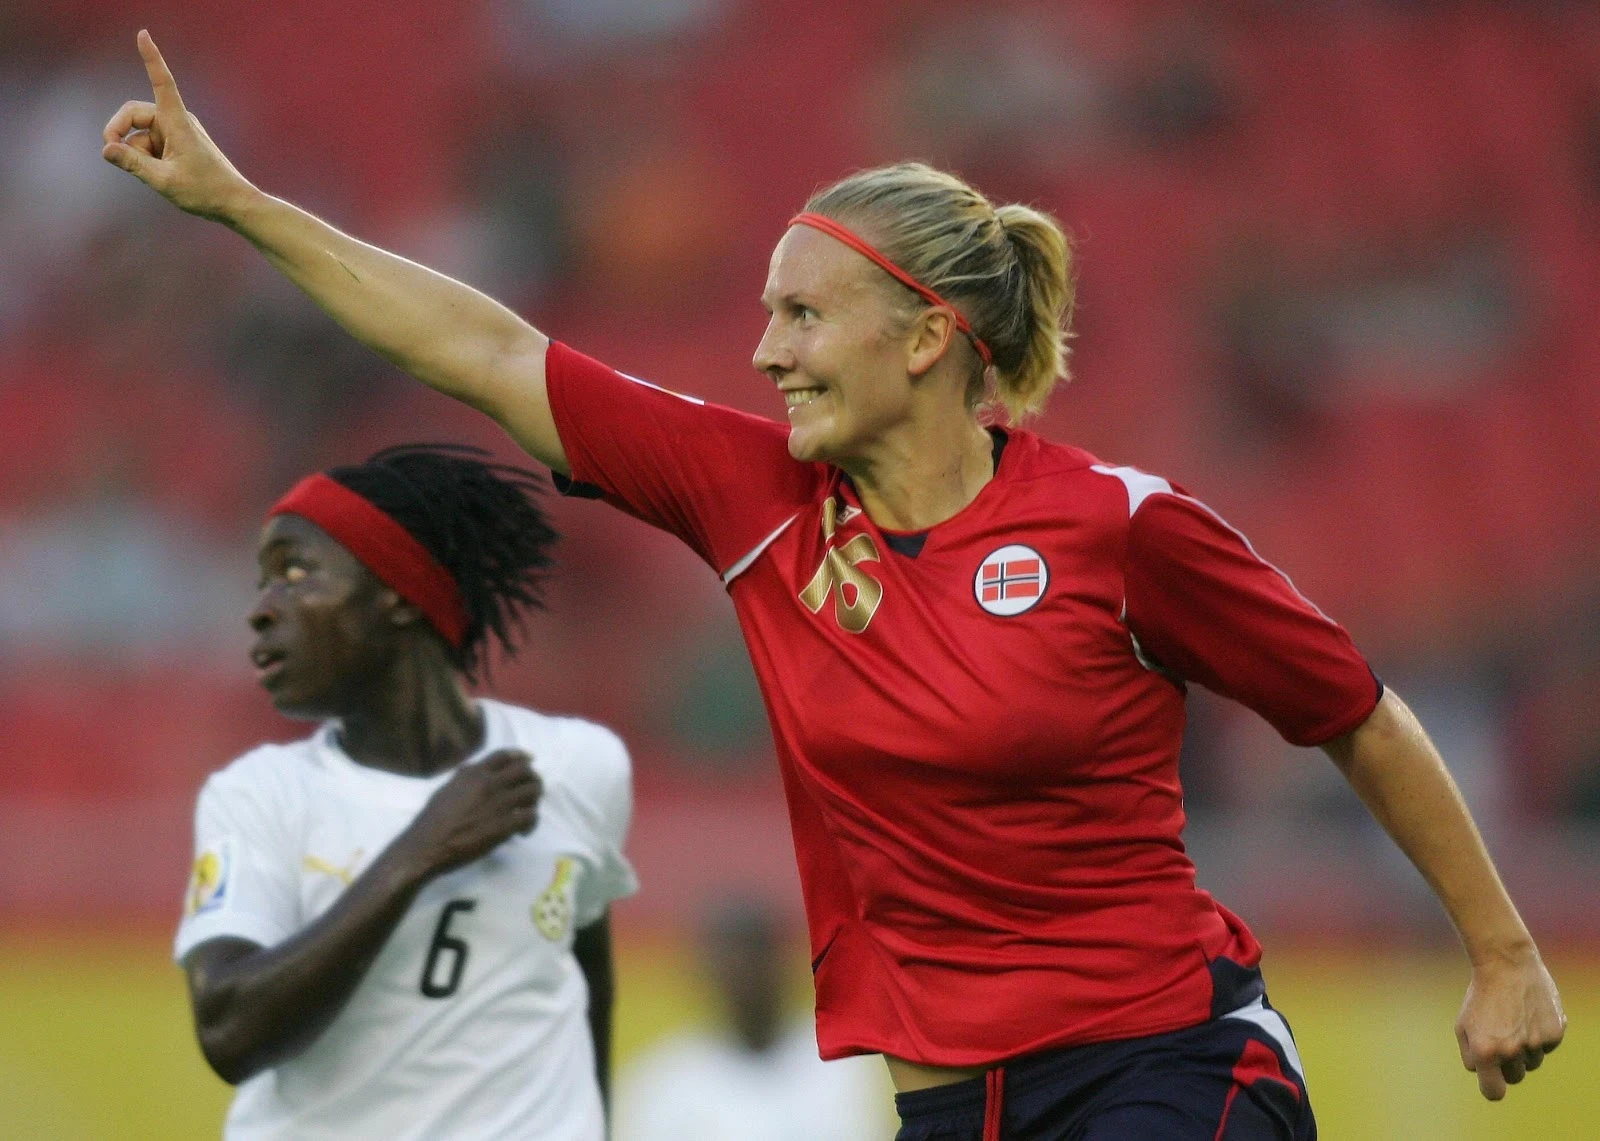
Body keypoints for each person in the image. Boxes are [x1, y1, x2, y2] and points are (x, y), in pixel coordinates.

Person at [108, 31, 1565, 1140]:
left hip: (1167, 1069)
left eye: (803, 314)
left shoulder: (1125, 529)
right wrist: (242, 207)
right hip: (940, 1105)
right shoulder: (751, 502)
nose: (765, 352)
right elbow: (487, 353)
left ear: (924, 337)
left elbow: (1357, 713)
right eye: (763, 316)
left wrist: (1504, 954)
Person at [173, 442, 637, 1140]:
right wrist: (420, 850)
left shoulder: (580, 765)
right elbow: (229, 1031)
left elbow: (586, 969)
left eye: (294, 573)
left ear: (395, 589)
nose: (261, 611)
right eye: (262, 583)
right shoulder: (256, 796)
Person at [614, 896, 892, 1141]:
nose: (742, 973)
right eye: (728, 958)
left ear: (782, 961)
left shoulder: (850, 1069)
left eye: (753, 953)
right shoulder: (659, 1083)